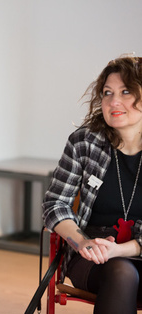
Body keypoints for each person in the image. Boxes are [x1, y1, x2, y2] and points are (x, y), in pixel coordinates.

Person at [42, 56, 142, 314]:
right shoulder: (84, 143)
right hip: (92, 254)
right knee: (121, 272)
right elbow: (55, 204)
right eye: (107, 93)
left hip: (136, 247)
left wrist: (120, 249)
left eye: (126, 91)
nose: (113, 101)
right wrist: (82, 243)